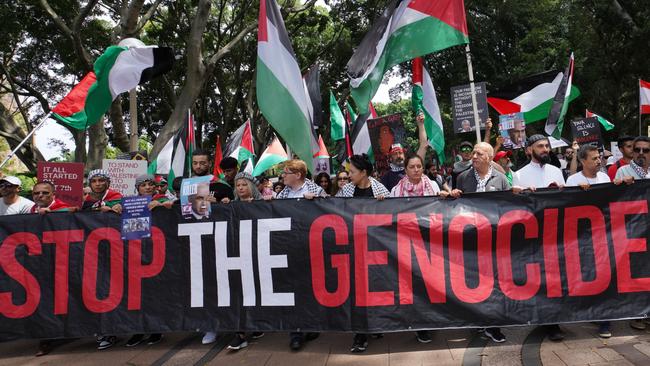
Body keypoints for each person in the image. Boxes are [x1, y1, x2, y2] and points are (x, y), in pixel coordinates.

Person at [449, 142, 509, 343]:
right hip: (471, 242)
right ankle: (478, 320)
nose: (474, 156)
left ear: (490, 158)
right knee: (475, 283)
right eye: (473, 152)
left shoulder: (500, 179)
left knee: (496, 284)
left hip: (494, 242)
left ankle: (494, 325)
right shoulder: (463, 178)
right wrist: (452, 196)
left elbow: (509, 206)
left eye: (479, 153)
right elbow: (455, 209)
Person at [511, 135, 566, 342]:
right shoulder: (519, 175)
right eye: (540, 146)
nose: (545, 149)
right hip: (533, 238)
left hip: (556, 234)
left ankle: (555, 320)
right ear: (528, 150)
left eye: (547, 146)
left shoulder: (556, 171)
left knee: (556, 279)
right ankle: (548, 322)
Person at [336, 154, 390, 353]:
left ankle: (375, 325)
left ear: (364, 172)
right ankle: (360, 334)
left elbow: (394, 215)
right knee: (357, 292)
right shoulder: (346, 191)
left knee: (375, 289)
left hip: (376, 250)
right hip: (353, 250)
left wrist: (384, 204)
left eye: (352, 172)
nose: (349, 175)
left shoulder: (381, 190)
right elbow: (333, 212)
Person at [273, 159, 323, 350]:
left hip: (311, 249)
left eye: (286, 172)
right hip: (289, 248)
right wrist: (267, 205)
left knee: (310, 289)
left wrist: (318, 203)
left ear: (298, 174)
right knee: (293, 290)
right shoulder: (281, 195)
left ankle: (311, 325)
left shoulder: (317, 191)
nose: (282, 176)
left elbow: (331, 211)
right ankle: (296, 332)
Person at [225, 172, 266, 350]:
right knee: (240, 292)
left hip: (258, 254)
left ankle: (256, 323)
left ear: (252, 186)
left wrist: (256, 207)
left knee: (256, 289)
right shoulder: (231, 205)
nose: (241, 188)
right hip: (237, 256)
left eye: (244, 184)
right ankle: (240, 333)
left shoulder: (263, 204)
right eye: (238, 185)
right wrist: (222, 206)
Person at [125, 174, 166, 347]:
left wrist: (162, 205)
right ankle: (139, 330)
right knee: (136, 296)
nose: (148, 187)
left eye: (150, 184)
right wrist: (117, 209)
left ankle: (156, 330)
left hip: (158, 254)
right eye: (144, 185)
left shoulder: (164, 199)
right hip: (136, 254)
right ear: (138, 188)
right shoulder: (130, 204)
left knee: (155, 294)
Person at [380, 113, 428, 191]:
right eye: (395, 154)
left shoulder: (413, 168)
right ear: (390, 158)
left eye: (400, 152)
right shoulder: (386, 177)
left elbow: (424, 146)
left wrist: (421, 125)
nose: (399, 155)